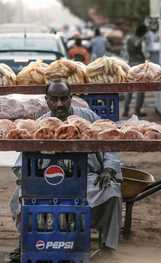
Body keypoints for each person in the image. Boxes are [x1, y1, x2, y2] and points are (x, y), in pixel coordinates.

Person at [7, 80, 123, 262]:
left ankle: (108, 247)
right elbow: (21, 163)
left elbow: (110, 143)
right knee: (19, 198)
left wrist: (108, 169)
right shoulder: (39, 125)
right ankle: (25, 243)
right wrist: (28, 178)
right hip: (47, 180)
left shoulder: (87, 117)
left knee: (112, 192)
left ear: (71, 98)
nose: (59, 104)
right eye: (54, 99)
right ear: (47, 100)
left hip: (87, 177)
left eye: (63, 99)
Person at [123, 24, 148, 118]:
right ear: (143, 32)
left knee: (130, 88)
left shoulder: (129, 39)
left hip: (131, 64)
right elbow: (145, 53)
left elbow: (126, 52)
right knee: (141, 89)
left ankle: (125, 110)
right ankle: (137, 110)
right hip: (140, 65)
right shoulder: (142, 41)